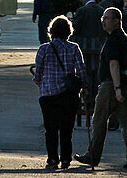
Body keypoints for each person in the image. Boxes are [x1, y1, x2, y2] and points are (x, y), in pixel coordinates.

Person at [75, 6, 127, 169]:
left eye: (106, 18)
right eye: (103, 18)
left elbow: (113, 64)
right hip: (125, 86)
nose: (103, 21)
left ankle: (93, 155)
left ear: (116, 21)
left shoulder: (113, 40)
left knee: (99, 120)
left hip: (111, 86)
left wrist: (117, 88)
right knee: (126, 123)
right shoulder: (126, 40)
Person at [33, 15, 87, 170]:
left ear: (52, 31)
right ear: (68, 32)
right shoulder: (74, 48)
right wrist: (83, 86)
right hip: (68, 93)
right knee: (66, 128)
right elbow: (81, 69)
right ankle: (65, 159)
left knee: (50, 128)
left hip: (48, 94)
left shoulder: (44, 49)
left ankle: (52, 159)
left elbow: (38, 73)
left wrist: (41, 85)